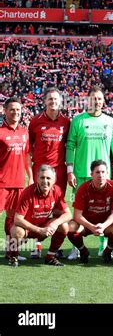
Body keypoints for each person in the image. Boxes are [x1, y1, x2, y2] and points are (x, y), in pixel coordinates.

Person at [65, 86, 113, 257]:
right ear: (87, 101)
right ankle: (77, 246)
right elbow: (70, 145)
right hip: (82, 172)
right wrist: (70, 170)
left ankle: (103, 244)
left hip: (103, 175)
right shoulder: (78, 121)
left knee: (104, 209)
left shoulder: (110, 122)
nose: (96, 102)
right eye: (93, 99)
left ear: (103, 101)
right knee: (80, 211)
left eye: (99, 98)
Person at [28, 87, 70, 259]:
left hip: (59, 171)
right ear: (44, 101)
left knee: (57, 210)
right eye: (50, 99)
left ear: (60, 102)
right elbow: (28, 147)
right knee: (36, 208)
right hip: (40, 170)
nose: (53, 102)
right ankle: (35, 245)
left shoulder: (66, 122)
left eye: (56, 99)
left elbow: (70, 146)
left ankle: (55, 246)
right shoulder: (35, 121)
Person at [8, 165, 71, 267]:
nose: (45, 181)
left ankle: (50, 257)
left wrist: (54, 224)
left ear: (54, 180)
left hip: (43, 226)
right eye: (42, 177)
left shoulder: (57, 190)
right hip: (26, 228)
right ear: (37, 178)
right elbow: (17, 219)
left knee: (64, 226)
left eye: (48, 178)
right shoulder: (28, 192)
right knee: (17, 231)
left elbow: (68, 214)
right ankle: (13, 256)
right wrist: (39, 230)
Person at [67, 160, 113, 264]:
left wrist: (103, 226)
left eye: (103, 172)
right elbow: (77, 216)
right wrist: (91, 227)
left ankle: (107, 251)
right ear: (91, 174)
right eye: (97, 172)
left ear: (107, 173)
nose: (100, 175)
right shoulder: (83, 188)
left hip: (105, 225)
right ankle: (83, 250)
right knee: (70, 227)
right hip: (86, 224)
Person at [0, 97, 33, 260]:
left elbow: (27, 156)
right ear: (5, 111)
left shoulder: (24, 132)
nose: (15, 112)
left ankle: (11, 252)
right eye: (12, 109)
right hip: (1, 184)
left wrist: (31, 178)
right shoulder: (0, 132)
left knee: (12, 220)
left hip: (19, 183)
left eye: (18, 110)